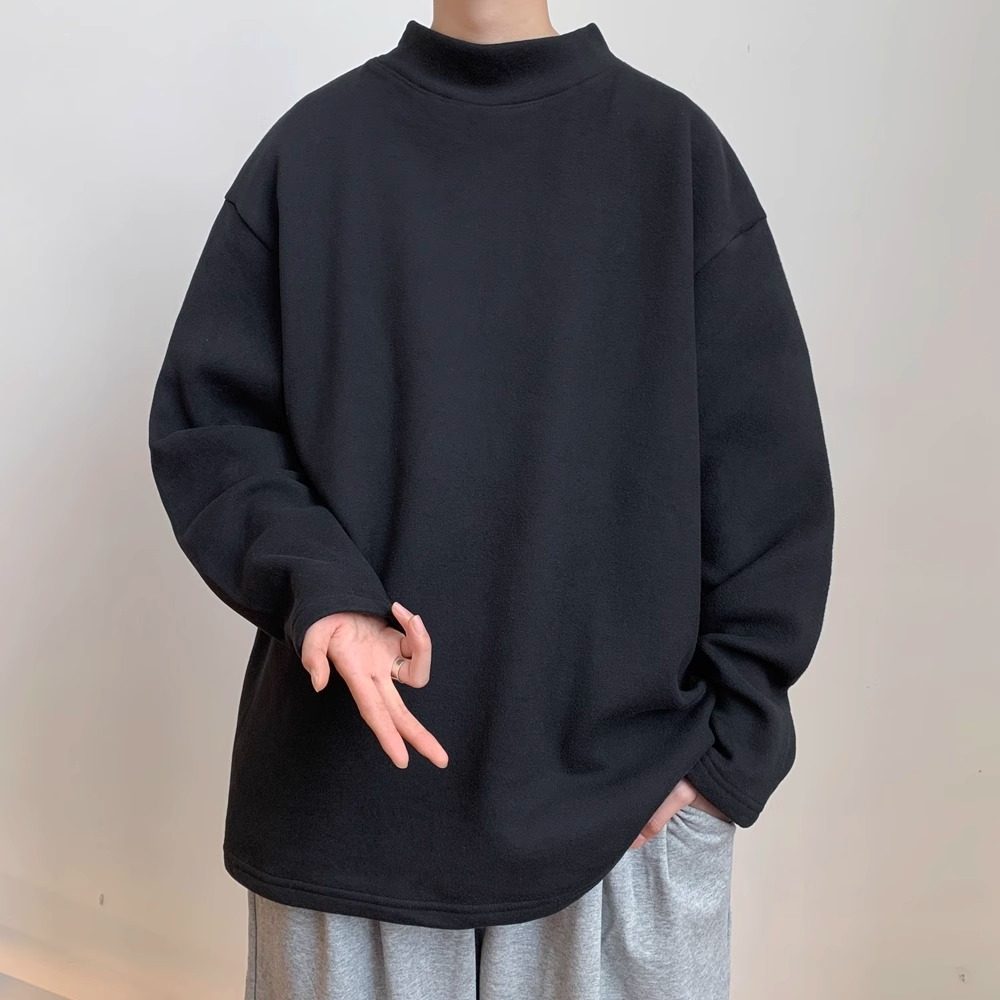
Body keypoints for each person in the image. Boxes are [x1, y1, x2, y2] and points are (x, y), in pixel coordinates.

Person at [148, 4, 835, 999]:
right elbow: (211, 427)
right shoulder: (315, 153)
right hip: (350, 809)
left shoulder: (673, 157)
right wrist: (326, 592)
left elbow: (769, 479)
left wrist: (726, 754)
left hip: (625, 820)